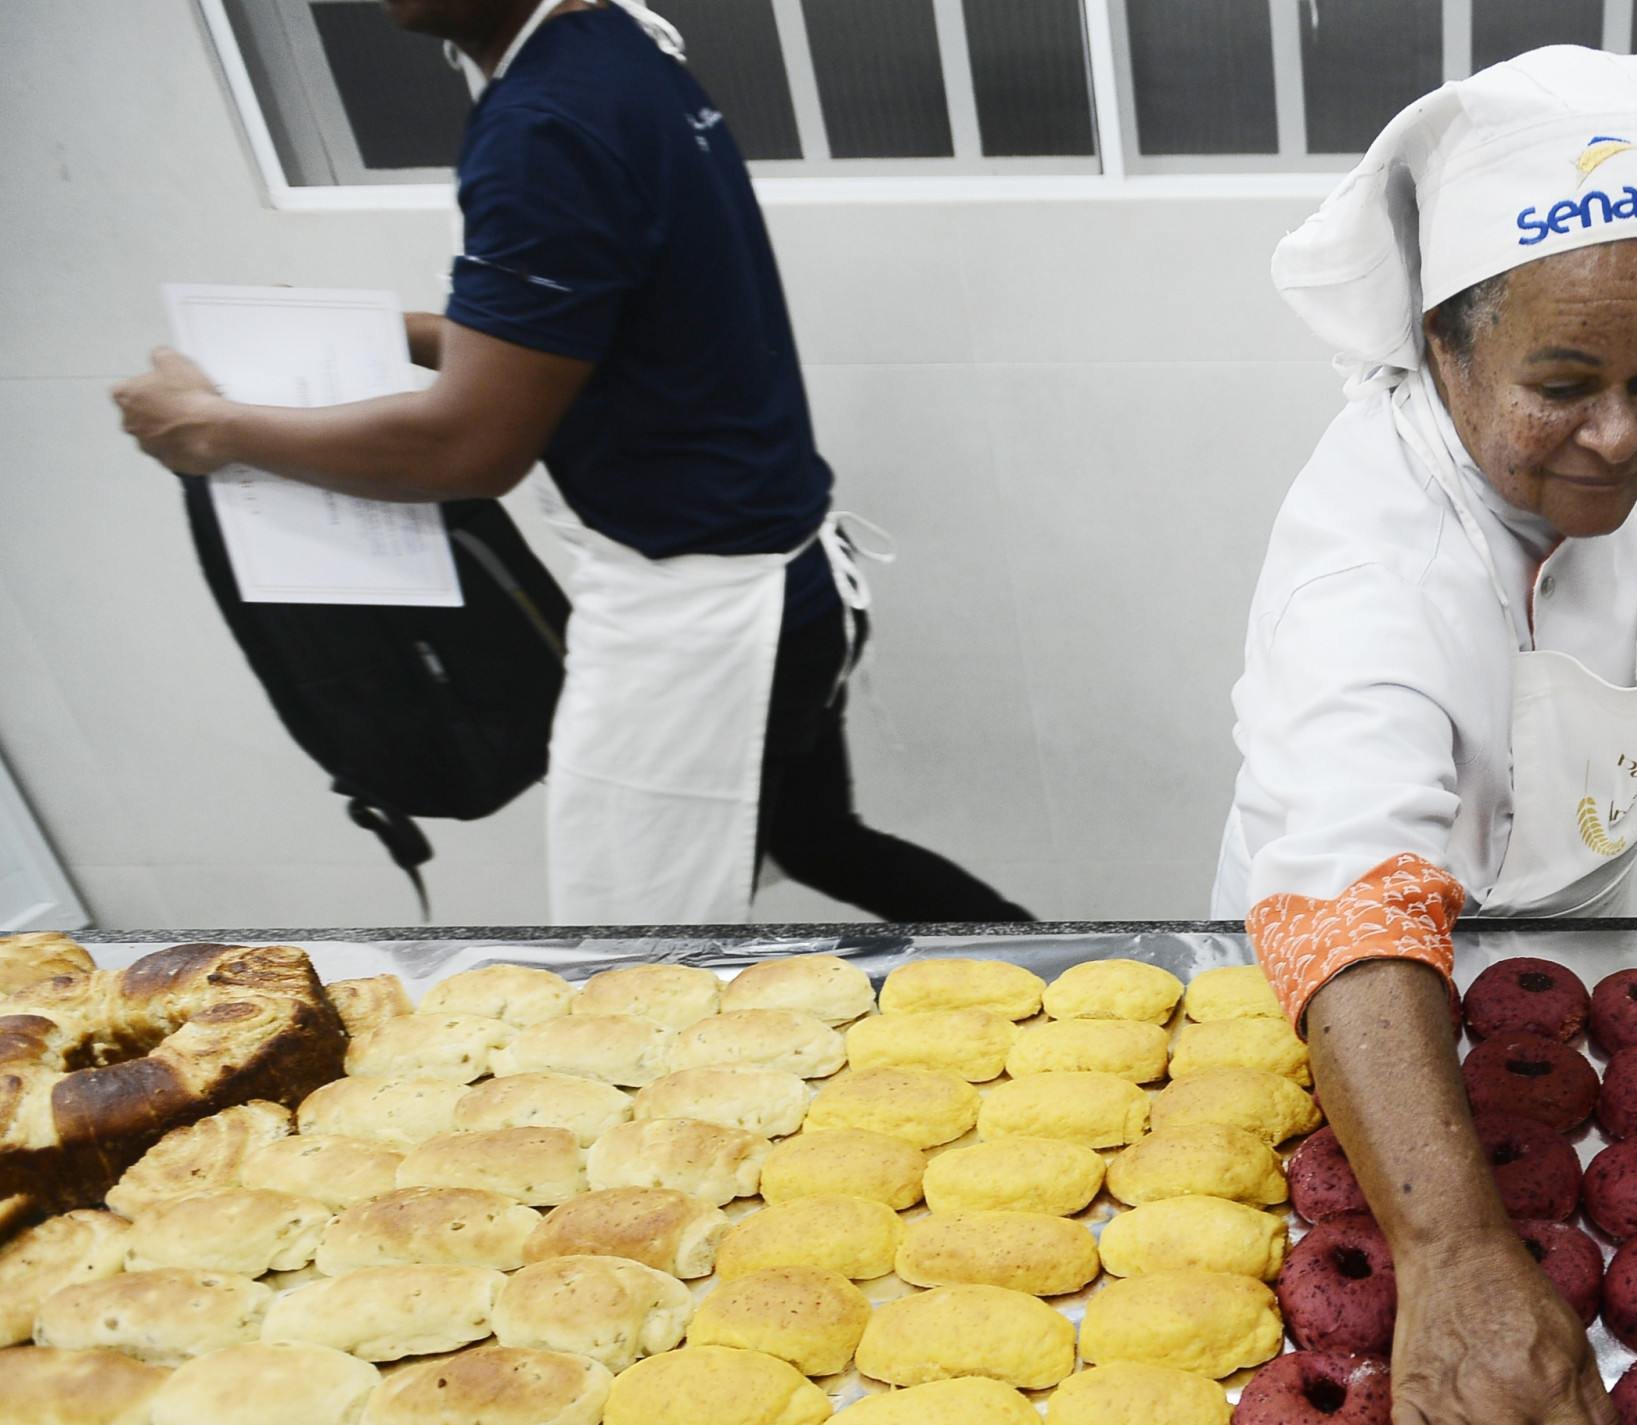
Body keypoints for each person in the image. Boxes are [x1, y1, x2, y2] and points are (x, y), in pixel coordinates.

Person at [112, 0, 1027, 927]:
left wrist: (211, 431)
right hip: (791, 583)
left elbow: (468, 448)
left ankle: (1063, 994)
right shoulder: (615, 50)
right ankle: (1065, 968)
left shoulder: (543, 124)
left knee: (633, 956)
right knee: (815, 840)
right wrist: (387, 336)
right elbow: (594, 327)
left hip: (705, 624)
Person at [1215, 49, 1637, 1425]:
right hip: (1369, 986)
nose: (1625, 434)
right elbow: (1352, 874)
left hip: (1562, 916)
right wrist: (1445, 1251)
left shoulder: (1612, 430)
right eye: (1564, 383)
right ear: (1442, 344)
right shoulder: (1375, 562)